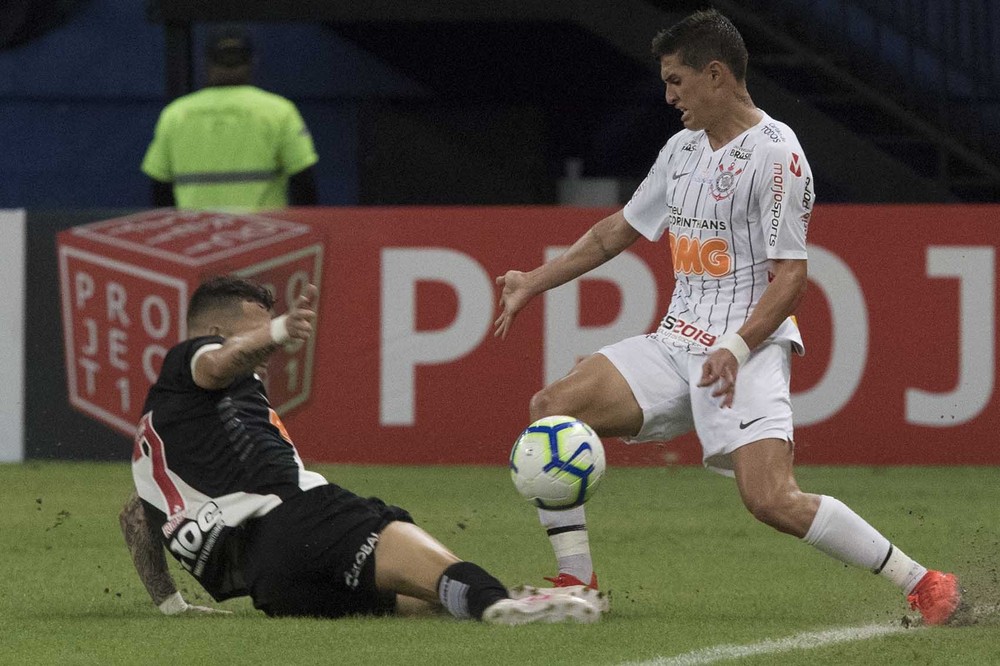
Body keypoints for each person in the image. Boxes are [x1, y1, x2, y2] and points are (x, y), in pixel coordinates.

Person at [496, 9, 961, 625]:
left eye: (675, 82)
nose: (667, 97)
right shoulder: (682, 150)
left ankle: (924, 582)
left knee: (770, 499)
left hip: (747, 351)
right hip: (674, 344)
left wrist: (737, 349)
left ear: (715, 75)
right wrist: (534, 280)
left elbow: (791, 277)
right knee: (550, 408)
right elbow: (617, 233)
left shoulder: (778, 157)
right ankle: (577, 584)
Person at [119, 276, 601, 625]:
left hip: (275, 585)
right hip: (302, 520)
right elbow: (217, 363)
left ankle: (488, 601)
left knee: (433, 602)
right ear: (214, 334)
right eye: (257, 334)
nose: (268, 351)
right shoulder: (190, 362)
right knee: (443, 575)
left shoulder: (162, 436)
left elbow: (137, 521)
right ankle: (504, 605)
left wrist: (171, 605)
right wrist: (281, 330)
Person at [140, 26, 319, 212]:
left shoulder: (176, 114)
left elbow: (160, 189)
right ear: (252, 62)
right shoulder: (279, 111)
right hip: (262, 235)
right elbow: (304, 184)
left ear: (207, 63)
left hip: (195, 235)